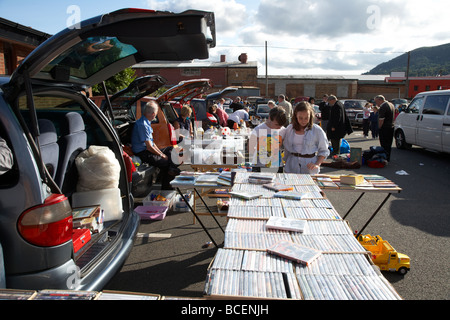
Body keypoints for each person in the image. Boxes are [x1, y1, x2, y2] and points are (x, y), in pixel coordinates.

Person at [131, 100, 180, 189]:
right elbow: (149, 147)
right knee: (166, 162)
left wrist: (162, 153)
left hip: (147, 149)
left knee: (172, 150)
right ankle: (167, 186)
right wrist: (161, 155)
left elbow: (153, 143)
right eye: (156, 113)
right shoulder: (143, 124)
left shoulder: (146, 122)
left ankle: (171, 170)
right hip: (143, 152)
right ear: (153, 114)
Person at [281, 102, 329, 174]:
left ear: (310, 116)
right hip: (291, 166)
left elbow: (324, 150)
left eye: (306, 118)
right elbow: (285, 147)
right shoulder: (289, 129)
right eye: (300, 118)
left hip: (309, 167)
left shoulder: (317, 130)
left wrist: (317, 164)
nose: (303, 121)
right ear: (296, 116)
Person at [249, 107, 287, 173]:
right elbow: (250, 148)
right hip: (259, 166)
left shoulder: (283, 130)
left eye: (281, 125)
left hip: (277, 166)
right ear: (269, 118)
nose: (279, 127)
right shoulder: (258, 129)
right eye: (277, 124)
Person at [375, 95, 395, 161]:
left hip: (385, 127)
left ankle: (384, 158)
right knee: (389, 144)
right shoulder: (391, 104)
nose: (376, 103)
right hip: (391, 126)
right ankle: (388, 157)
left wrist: (379, 127)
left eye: (376, 101)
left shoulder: (383, 106)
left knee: (384, 144)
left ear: (380, 100)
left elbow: (381, 119)